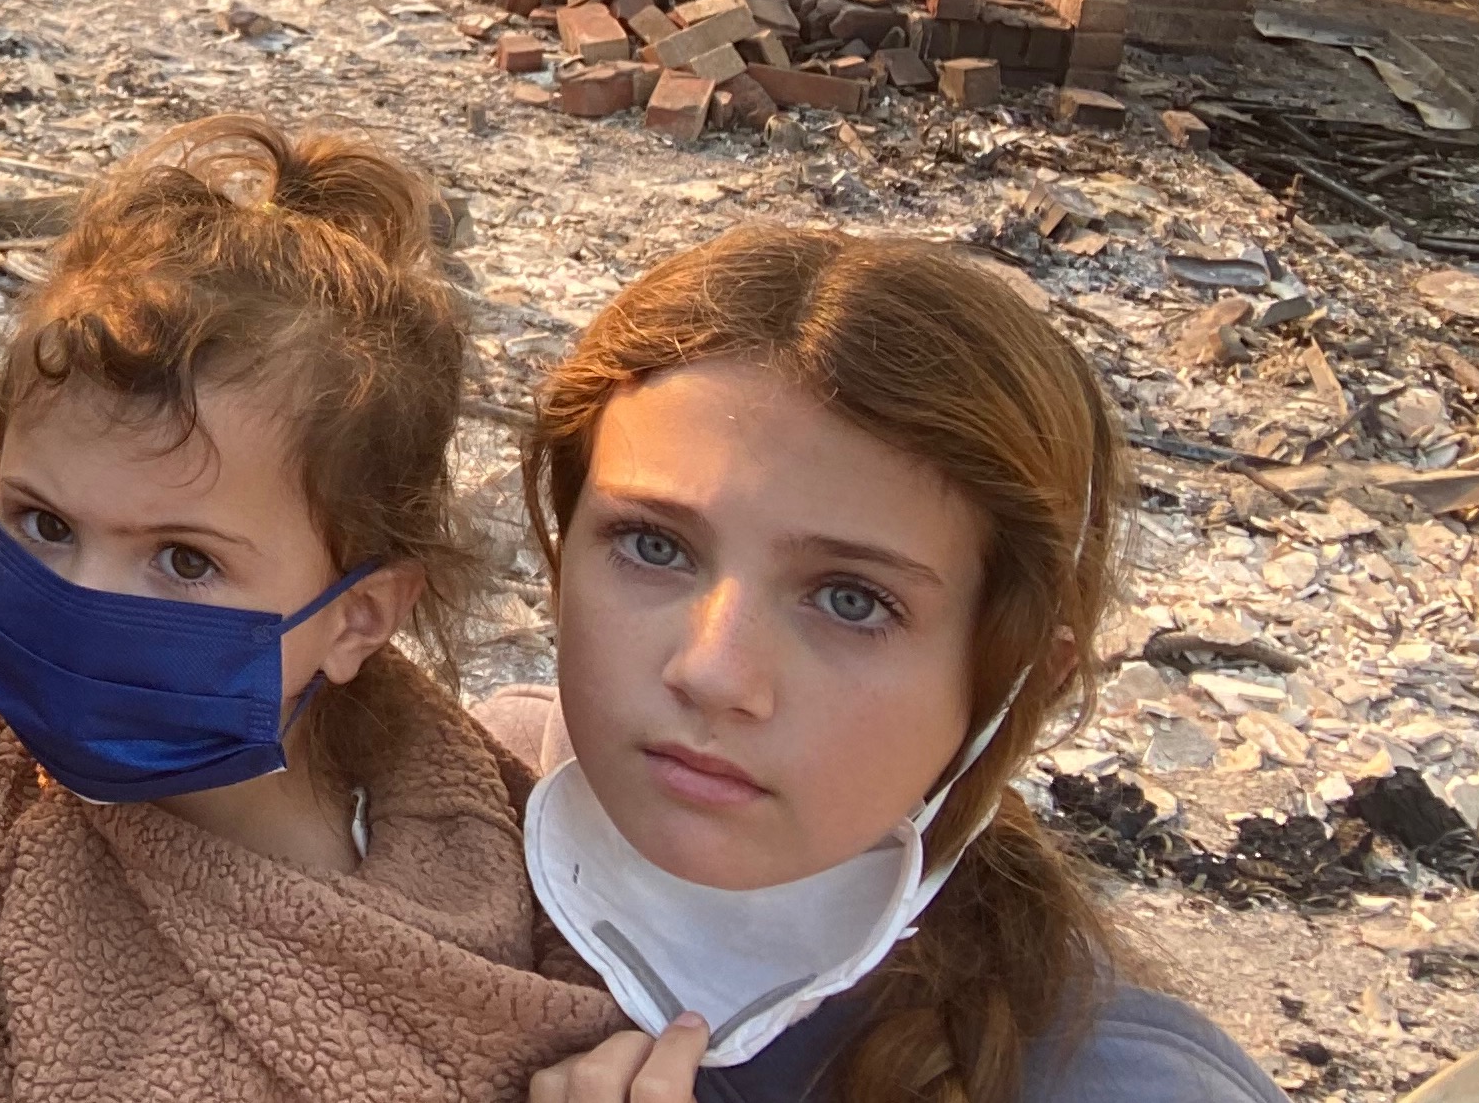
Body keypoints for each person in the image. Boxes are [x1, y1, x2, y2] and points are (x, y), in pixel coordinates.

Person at [0, 114, 630, 1102]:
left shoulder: (514, 891)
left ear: (359, 618)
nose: (80, 598)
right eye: (44, 524)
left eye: (184, 559)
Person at [492, 228, 1283, 1103]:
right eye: (653, 545)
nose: (713, 672)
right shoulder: (451, 789)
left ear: (1025, 676)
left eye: (850, 599)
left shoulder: (1127, 1086)